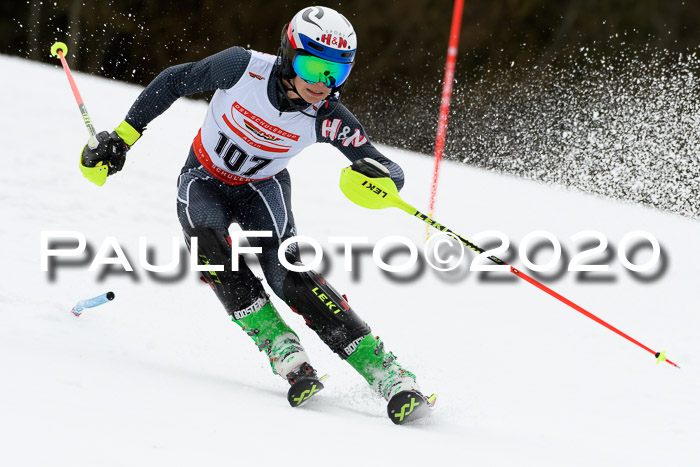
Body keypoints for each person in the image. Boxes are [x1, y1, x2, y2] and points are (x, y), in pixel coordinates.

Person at [80, 6, 434, 424]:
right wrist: (122, 137)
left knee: (293, 280)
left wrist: (381, 178)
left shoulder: (327, 115)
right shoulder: (242, 68)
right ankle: (281, 347)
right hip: (204, 179)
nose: (323, 84)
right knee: (211, 252)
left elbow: (386, 166)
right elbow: (177, 80)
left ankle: (389, 374)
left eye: (336, 74)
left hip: (261, 191)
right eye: (313, 67)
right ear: (288, 55)